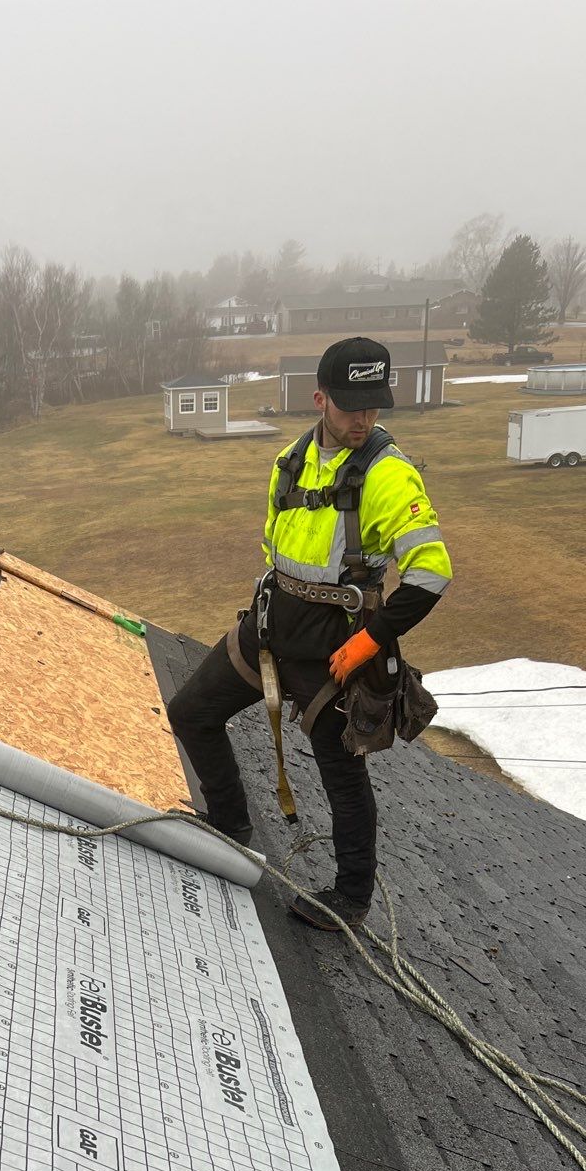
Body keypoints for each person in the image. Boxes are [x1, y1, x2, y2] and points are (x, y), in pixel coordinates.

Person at [167, 337, 452, 928]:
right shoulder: (289, 462)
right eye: (350, 406)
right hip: (271, 628)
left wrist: (370, 641)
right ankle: (230, 824)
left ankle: (351, 898)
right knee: (192, 711)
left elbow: (431, 573)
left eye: (373, 406)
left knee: (341, 775)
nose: (363, 419)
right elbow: (275, 547)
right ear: (320, 399)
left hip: (335, 648)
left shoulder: (389, 476)